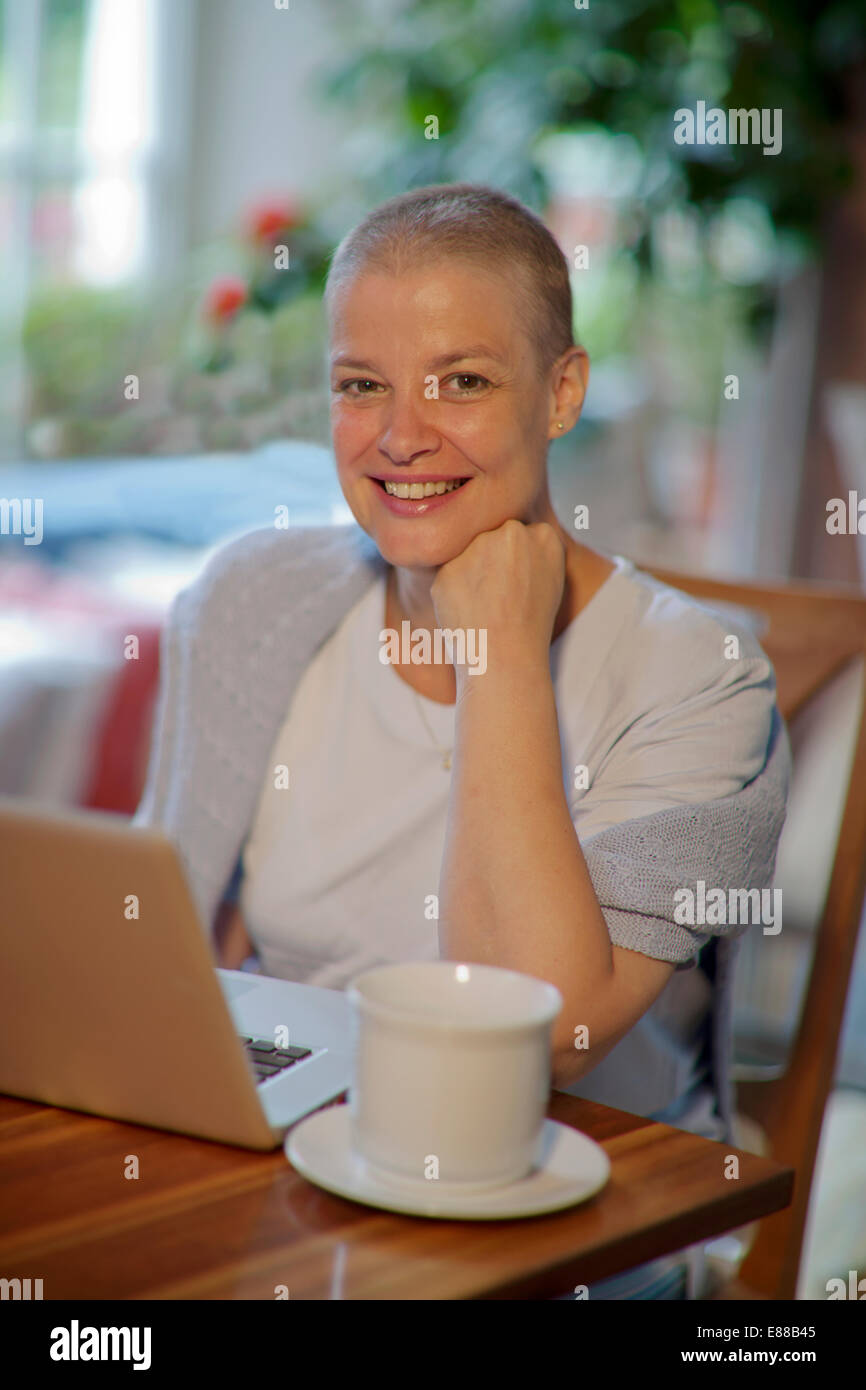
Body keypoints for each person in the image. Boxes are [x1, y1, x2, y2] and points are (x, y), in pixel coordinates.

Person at [134, 182, 790, 1301]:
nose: (401, 437)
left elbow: (543, 1032)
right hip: (297, 1186)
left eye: (463, 382)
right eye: (362, 386)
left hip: (584, 1239)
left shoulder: (701, 677)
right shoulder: (249, 601)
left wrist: (499, 655)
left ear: (561, 391)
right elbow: (175, 955)